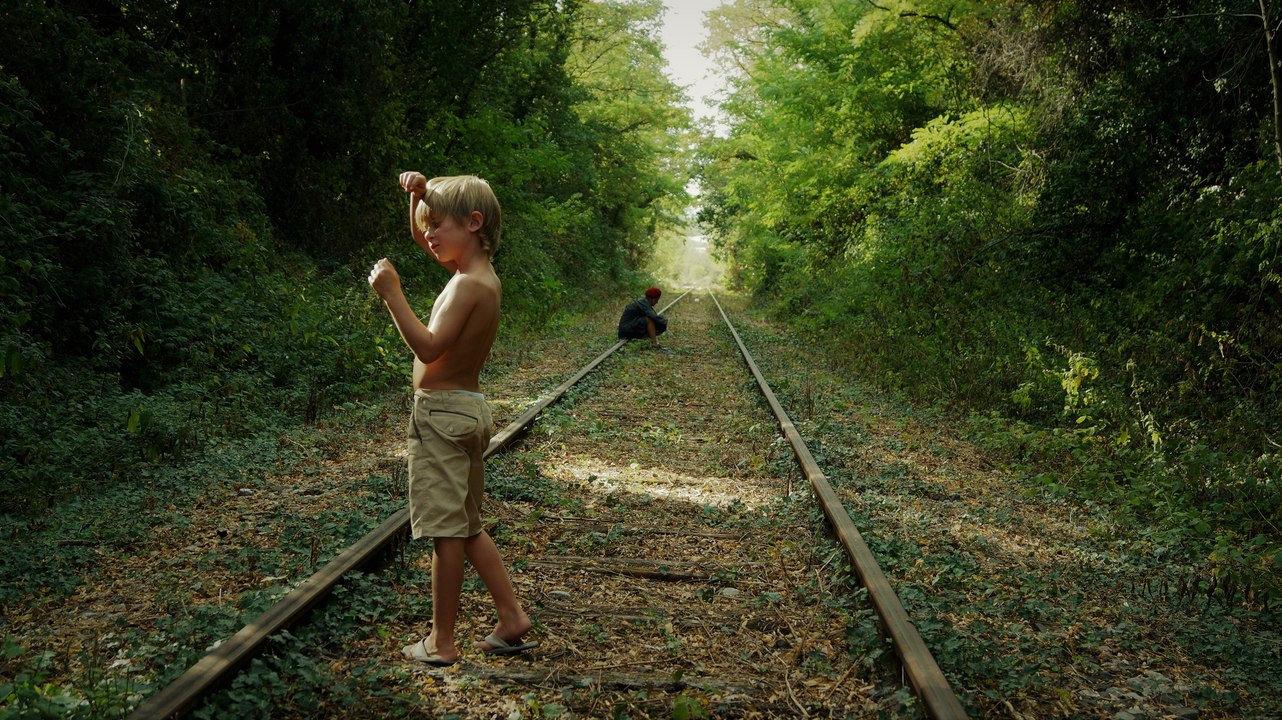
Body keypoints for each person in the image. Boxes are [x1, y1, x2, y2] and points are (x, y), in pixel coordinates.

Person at [369, 171, 536, 666]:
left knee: (446, 532)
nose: (428, 236)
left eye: (438, 225)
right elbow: (423, 237)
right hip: (467, 410)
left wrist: (392, 294)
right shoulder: (479, 276)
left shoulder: (465, 286)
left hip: (441, 417)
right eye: (428, 226)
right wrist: (419, 198)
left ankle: (441, 642)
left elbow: (428, 346)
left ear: (474, 223)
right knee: (467, 526)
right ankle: (511, 618)